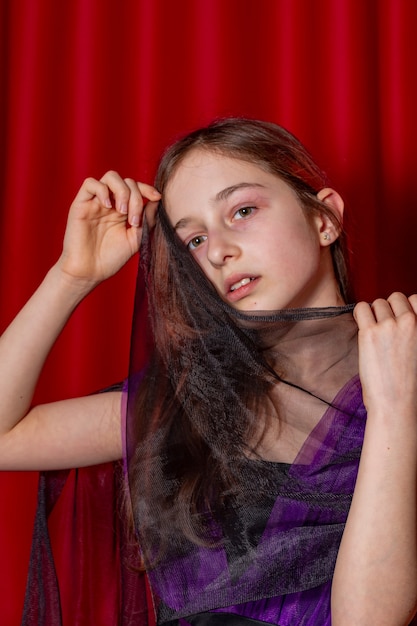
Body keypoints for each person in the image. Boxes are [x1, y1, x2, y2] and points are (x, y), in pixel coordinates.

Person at [1, 118, 417, 626]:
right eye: (194, 241)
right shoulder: (189, 401)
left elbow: (369, 620)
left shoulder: (407, 371)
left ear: (324, 218)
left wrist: (395, 405)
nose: (219, 250)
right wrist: (71, 275)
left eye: (242, 210)